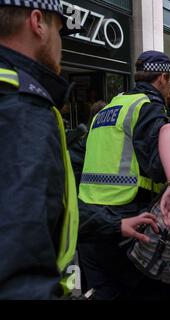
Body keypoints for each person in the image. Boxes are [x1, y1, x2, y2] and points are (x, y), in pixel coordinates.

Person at [76, 50, 170, 300]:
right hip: (130, 225)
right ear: (163, 78)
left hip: (92, 224)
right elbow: (157, 166)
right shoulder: (147, 108)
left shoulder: (108, 109)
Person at [0, 0, 80, 298]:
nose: (61, 44)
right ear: (37, 23)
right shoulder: (21, 108)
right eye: (60, 30)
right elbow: (20, 276)